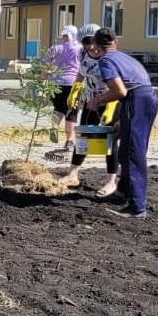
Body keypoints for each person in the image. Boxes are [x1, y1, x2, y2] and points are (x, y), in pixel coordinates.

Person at [86, 27, 158, 219]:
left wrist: (97, 100)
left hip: (137, 100)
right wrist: (121, 119)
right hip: (147, 98)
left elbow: (120, 92)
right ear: (115, 42)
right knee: (126, 148)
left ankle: (137, 207)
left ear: (96, 46)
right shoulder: (125, 57)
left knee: (134, 152)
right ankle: (123, 193)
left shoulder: (106, 61)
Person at [59, 23, 119, 196]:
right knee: (84, 136)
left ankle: (111, 181)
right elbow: (81, 73)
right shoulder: (85, 55)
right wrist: (75, 89)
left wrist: (112, 104)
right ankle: (73, 174)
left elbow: (119, 83)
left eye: (93, 41)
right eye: (86, 42)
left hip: (109, 102)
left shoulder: (108, 57)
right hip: (91, 101)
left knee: (110, 140)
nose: (90, 46)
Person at [45, 24, 82, 148]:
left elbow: (46, 66)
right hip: (73, 83)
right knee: (71, 111)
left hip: (56, 83)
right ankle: (69, 140)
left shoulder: (54, 48)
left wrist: (43, 78)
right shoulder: (79, 49)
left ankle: (54, 128)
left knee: (58, 108)